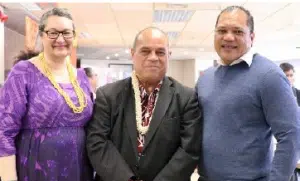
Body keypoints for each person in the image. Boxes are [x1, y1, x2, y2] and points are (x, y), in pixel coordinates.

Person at [196, 5, 300, 181]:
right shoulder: (206, 78)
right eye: (222, 30)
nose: (228, 37)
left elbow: (292, 135)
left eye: (237, 31)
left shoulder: (270, 76)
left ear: (251, 37)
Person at [86, 27, 202, 181]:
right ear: (133, 54)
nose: (153, 57)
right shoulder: (108, 95)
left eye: (160, 52)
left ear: (169, 55)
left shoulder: (186, 98)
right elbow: (97, 143)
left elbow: (189, 150)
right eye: (145, 51)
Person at [0, 7, 94, 181]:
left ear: (73, 37)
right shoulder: (23, 72)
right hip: (36, 168)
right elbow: (4, 132)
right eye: (52, 33)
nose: (60, 39)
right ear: (42, 35)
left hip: (79, 168)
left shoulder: (81, 77)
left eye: (66, 33)